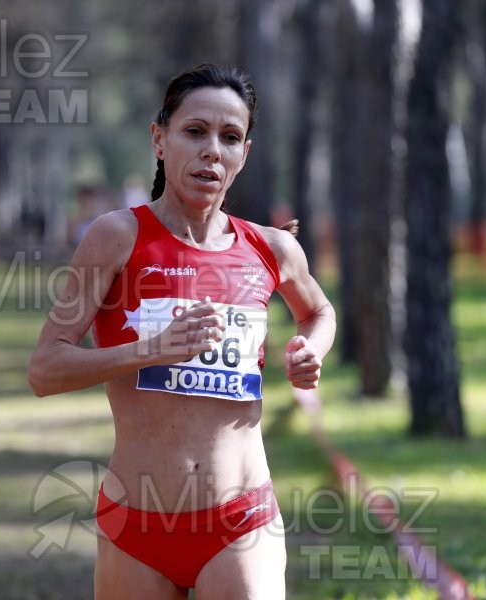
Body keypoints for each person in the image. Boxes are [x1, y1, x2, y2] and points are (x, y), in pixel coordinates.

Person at [28, 63, 335, 599]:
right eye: (194, 131)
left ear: (245, 154)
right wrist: (151, 351)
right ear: (159, 140)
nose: (212, 150)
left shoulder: (272, 248)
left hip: (241, 521)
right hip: (136, 524)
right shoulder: (116, 238)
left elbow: (318, 312)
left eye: (230, 137)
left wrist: (310, 347)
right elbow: (45, 369)